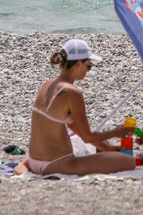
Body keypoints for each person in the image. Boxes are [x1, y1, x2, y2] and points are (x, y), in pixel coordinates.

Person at [16, 39, 135, 176]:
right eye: (88, 65)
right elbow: (88, 137)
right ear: (78, 63)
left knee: (106, 152)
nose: (88, 70)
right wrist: (116, 132)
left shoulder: (48, 84)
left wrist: (108, 148)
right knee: (128, 162)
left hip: (33, 161)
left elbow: (76, 130)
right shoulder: (72, 92)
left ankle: (24, 168)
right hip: (57, 164)